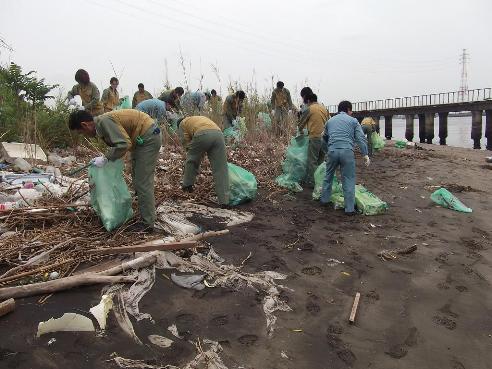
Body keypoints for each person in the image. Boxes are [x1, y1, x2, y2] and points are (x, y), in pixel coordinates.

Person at [68, 109, 162, 232]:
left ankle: (147, 224)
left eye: (81, 132)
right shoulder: (101, 124)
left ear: (84, 125)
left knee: (142, 182)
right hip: (142, 139)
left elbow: (123, 144)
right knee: (137, 177)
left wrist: (106, 158)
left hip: (148, 137)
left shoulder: (104, 122)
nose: (84, 135)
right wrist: (106, 158)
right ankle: (145, 215)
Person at [320, 100, 370, 215]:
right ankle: (349, 209)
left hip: (332, 151)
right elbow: (360, 138)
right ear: (348, 110)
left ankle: (324, 200)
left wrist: (327, 151)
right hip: (347, 152)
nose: (351, 113)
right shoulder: (353, 121)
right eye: (351, 110)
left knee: (328, 176)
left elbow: (324, 138)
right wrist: (365, 154)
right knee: (348, 179)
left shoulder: (330, 121)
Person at [177, 116, 229, 206]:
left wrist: (193, 151)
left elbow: (186, 142)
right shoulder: (196, 118)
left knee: (191, 160)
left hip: (202, 133)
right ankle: (224, 200)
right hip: (219, 134)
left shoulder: (182, 123)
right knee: (221, 168)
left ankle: (187, 186)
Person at [298, 93, 330, 187]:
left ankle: (313, 183)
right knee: (320, 161)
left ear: (308, 101)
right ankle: (320, 182)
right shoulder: (324, 108)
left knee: (312, 161)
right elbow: (328, 122)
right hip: (324, 138)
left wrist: (300, 131)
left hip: (314, 137)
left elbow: (301, 123)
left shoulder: (310, 109)